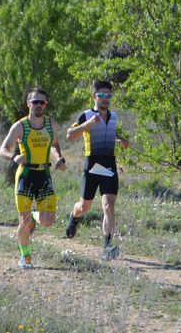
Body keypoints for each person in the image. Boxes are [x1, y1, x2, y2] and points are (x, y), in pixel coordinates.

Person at [0, 88, 66, 269]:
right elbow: (3, 149)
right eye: (35, 102)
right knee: (24, 221)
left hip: (44, 174)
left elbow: (55, 144)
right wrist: (14, 157)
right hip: (26, 175)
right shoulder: (20, 126)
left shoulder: (51, 125)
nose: (38, 105)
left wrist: (58, 158)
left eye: (42, 102)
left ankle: (34, 217)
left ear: (45, 105)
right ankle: (25, 256)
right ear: (28, 104)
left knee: (48, 221)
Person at [65, 80, 129, 260]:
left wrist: (120, 140)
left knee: (109, 206)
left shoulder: (114, 116)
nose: (106, 99)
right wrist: (88, 124)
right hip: (92, 166)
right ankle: (74, 216)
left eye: (108, 96)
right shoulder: (86, 115)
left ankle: (107, 247)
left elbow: (110, 132)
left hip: (108, 165)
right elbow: (70, 135)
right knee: (84, 206)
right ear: (94, 97)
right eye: (102, 95)